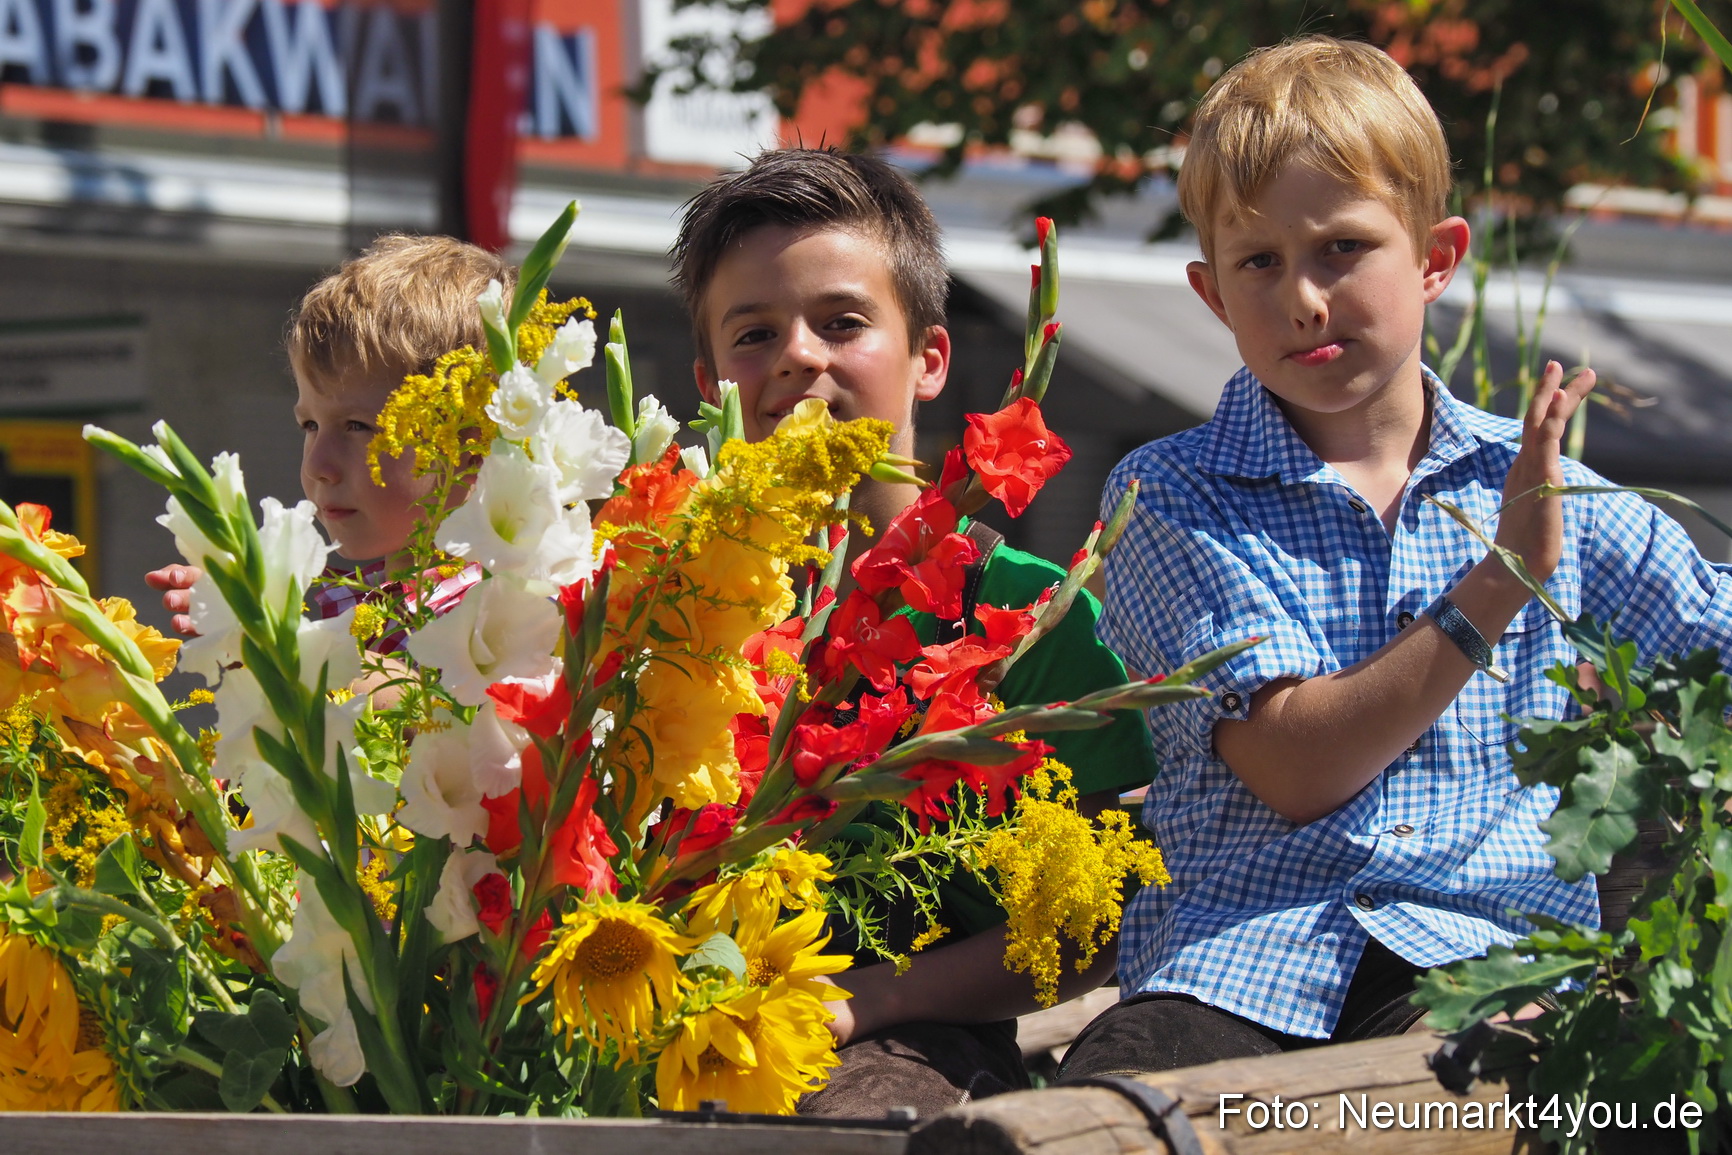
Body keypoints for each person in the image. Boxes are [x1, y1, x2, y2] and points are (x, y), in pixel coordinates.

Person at [1060, 35, 1732, 1079]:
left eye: (1340, 248)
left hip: (1484, 973)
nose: (1302, 298)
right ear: (1210, 294)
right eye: (1259, 263)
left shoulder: (1542, 487)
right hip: (1234, 968)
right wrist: (1499, 584)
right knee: (1108, 1111)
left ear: (1434, 257)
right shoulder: (1171, 493)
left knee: (1491, 1093)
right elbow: (1293, 767)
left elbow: (1716, 647)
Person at [670, 147, 1162, 1114]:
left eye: (842, 323)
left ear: (929, 357)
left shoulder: (1035, 615)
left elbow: (1108, 921)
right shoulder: (662, 607)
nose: (798, 358)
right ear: (709, 382)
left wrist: (869, 999)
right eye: (753, 334)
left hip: (910, 1050)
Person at [148, 234, 507, 641]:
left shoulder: (507, 609)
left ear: (473, 447)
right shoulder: (352, 599)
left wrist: (272, 643)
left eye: (358, 427)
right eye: (310, 426)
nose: (318, 467)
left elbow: (409, 693)